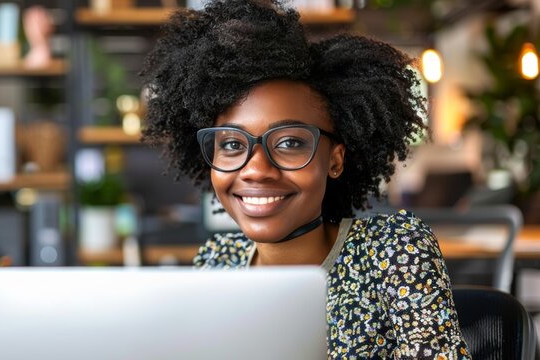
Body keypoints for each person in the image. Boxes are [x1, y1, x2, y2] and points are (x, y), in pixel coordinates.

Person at [140, 0, 471, 358]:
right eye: (233, 144)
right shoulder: (218, 263)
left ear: (335, 159)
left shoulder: (392, 252)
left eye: (289, 143)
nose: (256, 169)